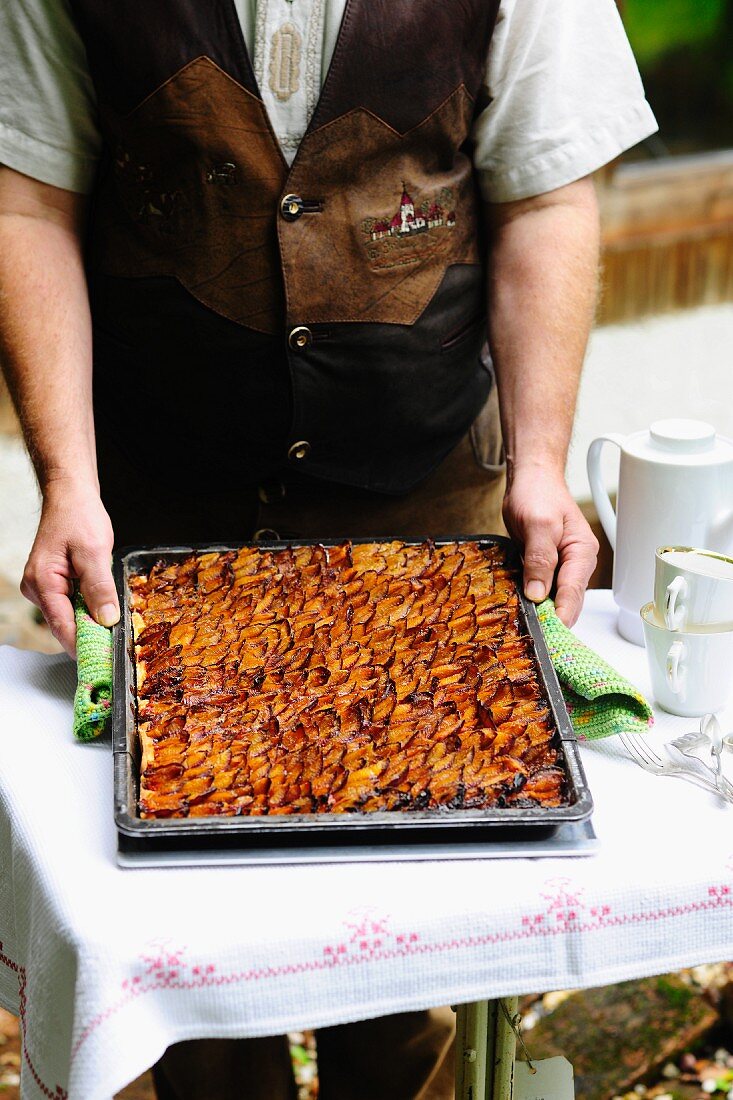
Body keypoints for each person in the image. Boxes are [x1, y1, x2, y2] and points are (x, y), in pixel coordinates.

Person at [0, 1, 657, 1096]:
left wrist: (540, 464)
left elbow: (544, 195)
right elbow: (27, 201)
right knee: (199, 963)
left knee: (414, 956)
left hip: (428, 509)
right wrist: (68, 480)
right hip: (172, 512)